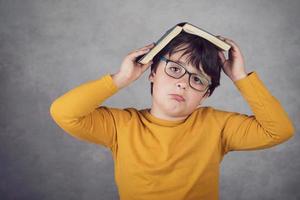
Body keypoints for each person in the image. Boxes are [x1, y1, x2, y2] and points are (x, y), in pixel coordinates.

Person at [49, 31, 295, 200]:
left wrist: (241, 78)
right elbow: (64, 112)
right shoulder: (120, 125)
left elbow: (279, 130)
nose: (183, 84)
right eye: (175, 69)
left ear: (206, 95)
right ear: (152, 72)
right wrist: (120, 79)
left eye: (197, 79)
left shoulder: (218, 126)